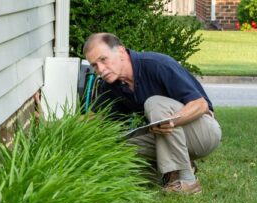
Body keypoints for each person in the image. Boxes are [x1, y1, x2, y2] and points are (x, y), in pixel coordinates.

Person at [83, 32, 221, 194]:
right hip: (168, 137)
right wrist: (58, 127)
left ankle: (187, 181)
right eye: (94, 65)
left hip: (204, 133)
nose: (101, 69)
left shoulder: (157, 64)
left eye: (103, 59)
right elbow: (95, 119)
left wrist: (172, 122)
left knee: (154, 103)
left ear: (120, 51)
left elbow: (201, 104)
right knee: (119, 144)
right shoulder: (111, 86)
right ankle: (155, 177)